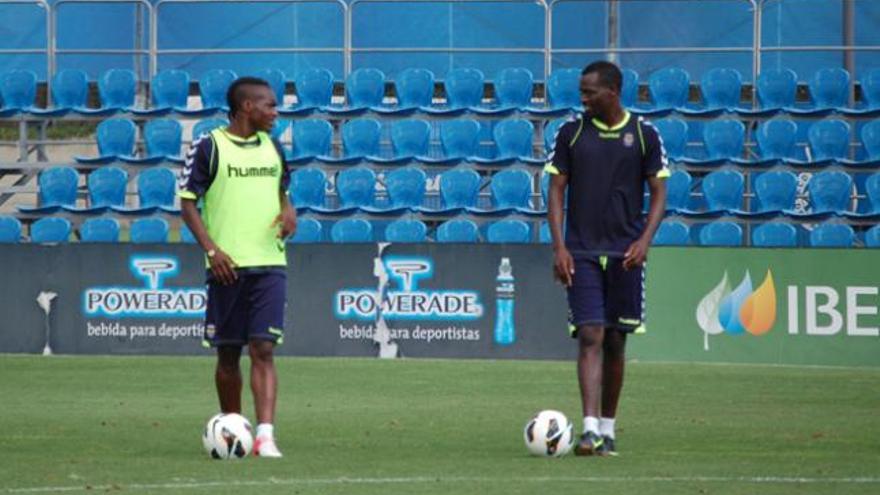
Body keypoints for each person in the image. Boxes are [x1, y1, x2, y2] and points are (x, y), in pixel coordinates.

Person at [545, 61, 668, 456]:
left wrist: (645, 241)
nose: (582, 98)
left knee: (616, 341)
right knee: (590, 334)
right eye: (581, 91)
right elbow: (556, 189)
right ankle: (589, 429)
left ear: (612, 92)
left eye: (589, 91)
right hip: (580, 251)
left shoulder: (644, 135)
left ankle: (609, 430)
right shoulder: (571, 132)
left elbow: (660, 192)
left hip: (626, 254)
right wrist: (559, 246)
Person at [178, 76, 296, 458]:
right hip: (227, 266)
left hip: (270, 262)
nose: (276, 113)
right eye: (270, 105)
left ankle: (264, 436)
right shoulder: (209, 146)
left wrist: (288, 210)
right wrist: (213, 251)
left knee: (263, 348)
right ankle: (233, 429)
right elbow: (187, 202)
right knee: (228, 355)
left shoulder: (273, 146)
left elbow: (283, 190)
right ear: (248, 107)